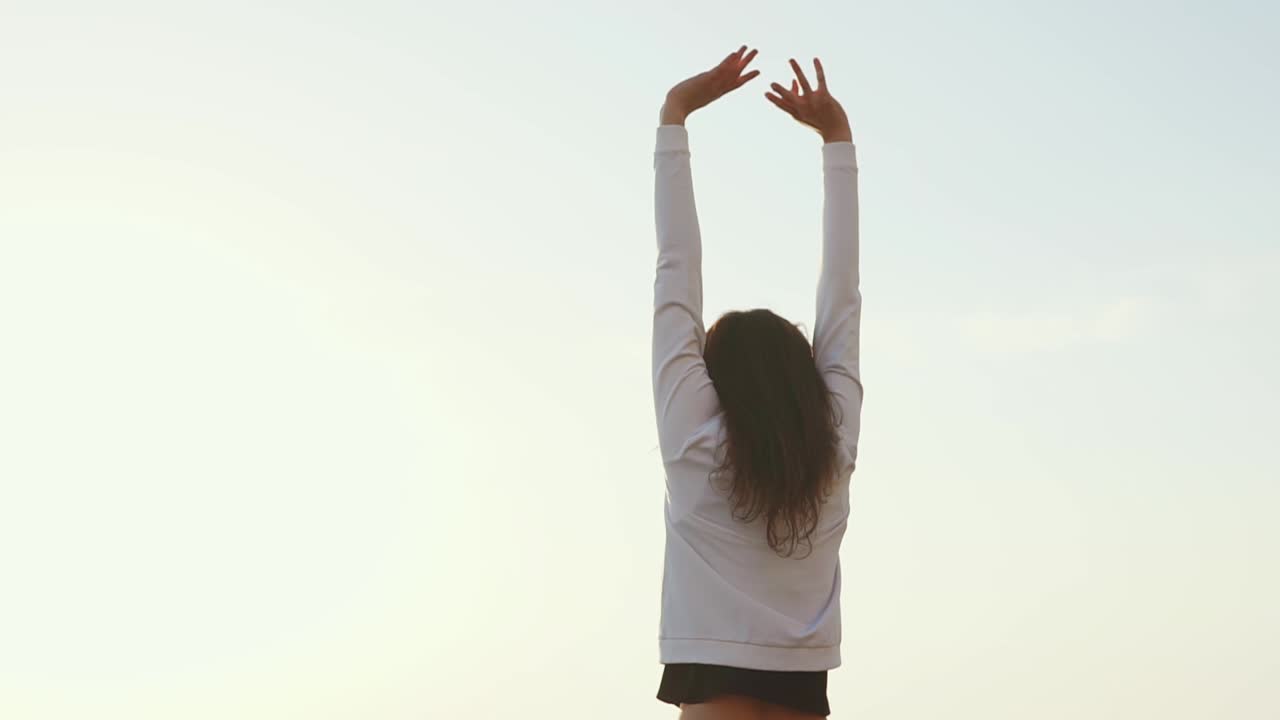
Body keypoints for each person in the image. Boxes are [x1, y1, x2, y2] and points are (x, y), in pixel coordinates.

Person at [651, 46, 862, 719]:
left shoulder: (695, 439)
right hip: (805, 684)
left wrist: (675, 116)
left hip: (712, 676)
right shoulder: (831, 446)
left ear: (713, 379)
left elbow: (675, 270)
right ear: (804, 378)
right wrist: (836, 139)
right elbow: (844, 297)